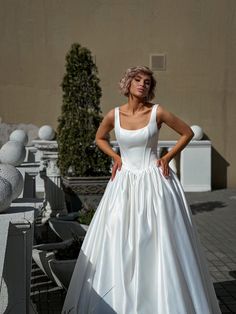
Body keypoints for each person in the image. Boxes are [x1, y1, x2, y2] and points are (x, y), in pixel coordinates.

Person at [62, 66, 222, 314]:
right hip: (124, 183)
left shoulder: (157, 112)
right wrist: (116, 158)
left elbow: (187, 132)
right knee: (118, 237)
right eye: (138, 80)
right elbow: (100, 138)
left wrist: (167, 157)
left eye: (147, 82)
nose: (143, 85)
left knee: (160, 241)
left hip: (155, 184)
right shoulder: (113, 115)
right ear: (128, 84)